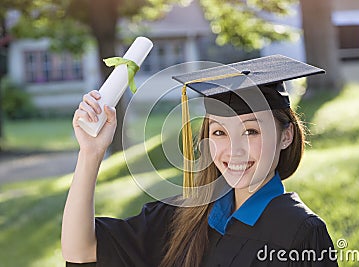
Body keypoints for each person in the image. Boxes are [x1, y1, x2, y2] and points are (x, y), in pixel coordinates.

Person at [62, 55, 338, 267]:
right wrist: (90, 153)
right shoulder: (184, 216)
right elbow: (82, 250)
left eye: (251, 131)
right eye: (219, 132)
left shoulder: (300, 231)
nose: (234, 150)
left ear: (286, 136)